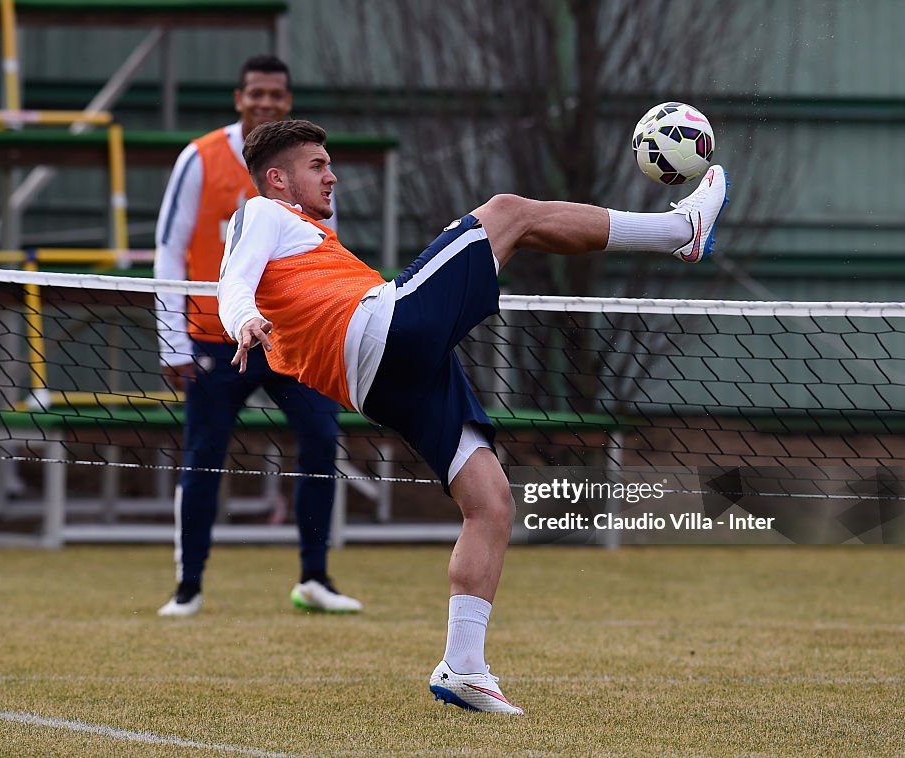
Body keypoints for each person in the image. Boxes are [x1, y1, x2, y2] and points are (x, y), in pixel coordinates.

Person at [217, 119, 729, 714]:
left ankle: (463, 666)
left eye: (329, 163)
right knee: (508, 211)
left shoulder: (304, 232)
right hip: (383, 331)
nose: (331, 175)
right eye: (316, 165)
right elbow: (233, 282)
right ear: (277, 179)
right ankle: (680, 231)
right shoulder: (262, 212)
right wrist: (241, 319)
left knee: (490, 503)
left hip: (381, 379)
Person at [154, 57, 361, 617]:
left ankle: (314, 578)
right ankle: (188, 586)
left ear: (286, 101)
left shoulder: (307, 173)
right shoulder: (198, 159)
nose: (266, 102)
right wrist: (172, 340)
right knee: (203, 456)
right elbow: (169, 250)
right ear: (239, 97)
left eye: (276, 94)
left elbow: (325, 262)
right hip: (214, 338)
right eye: (256, 94)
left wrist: (330, 336)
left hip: (290, 343)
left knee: (321, 441)